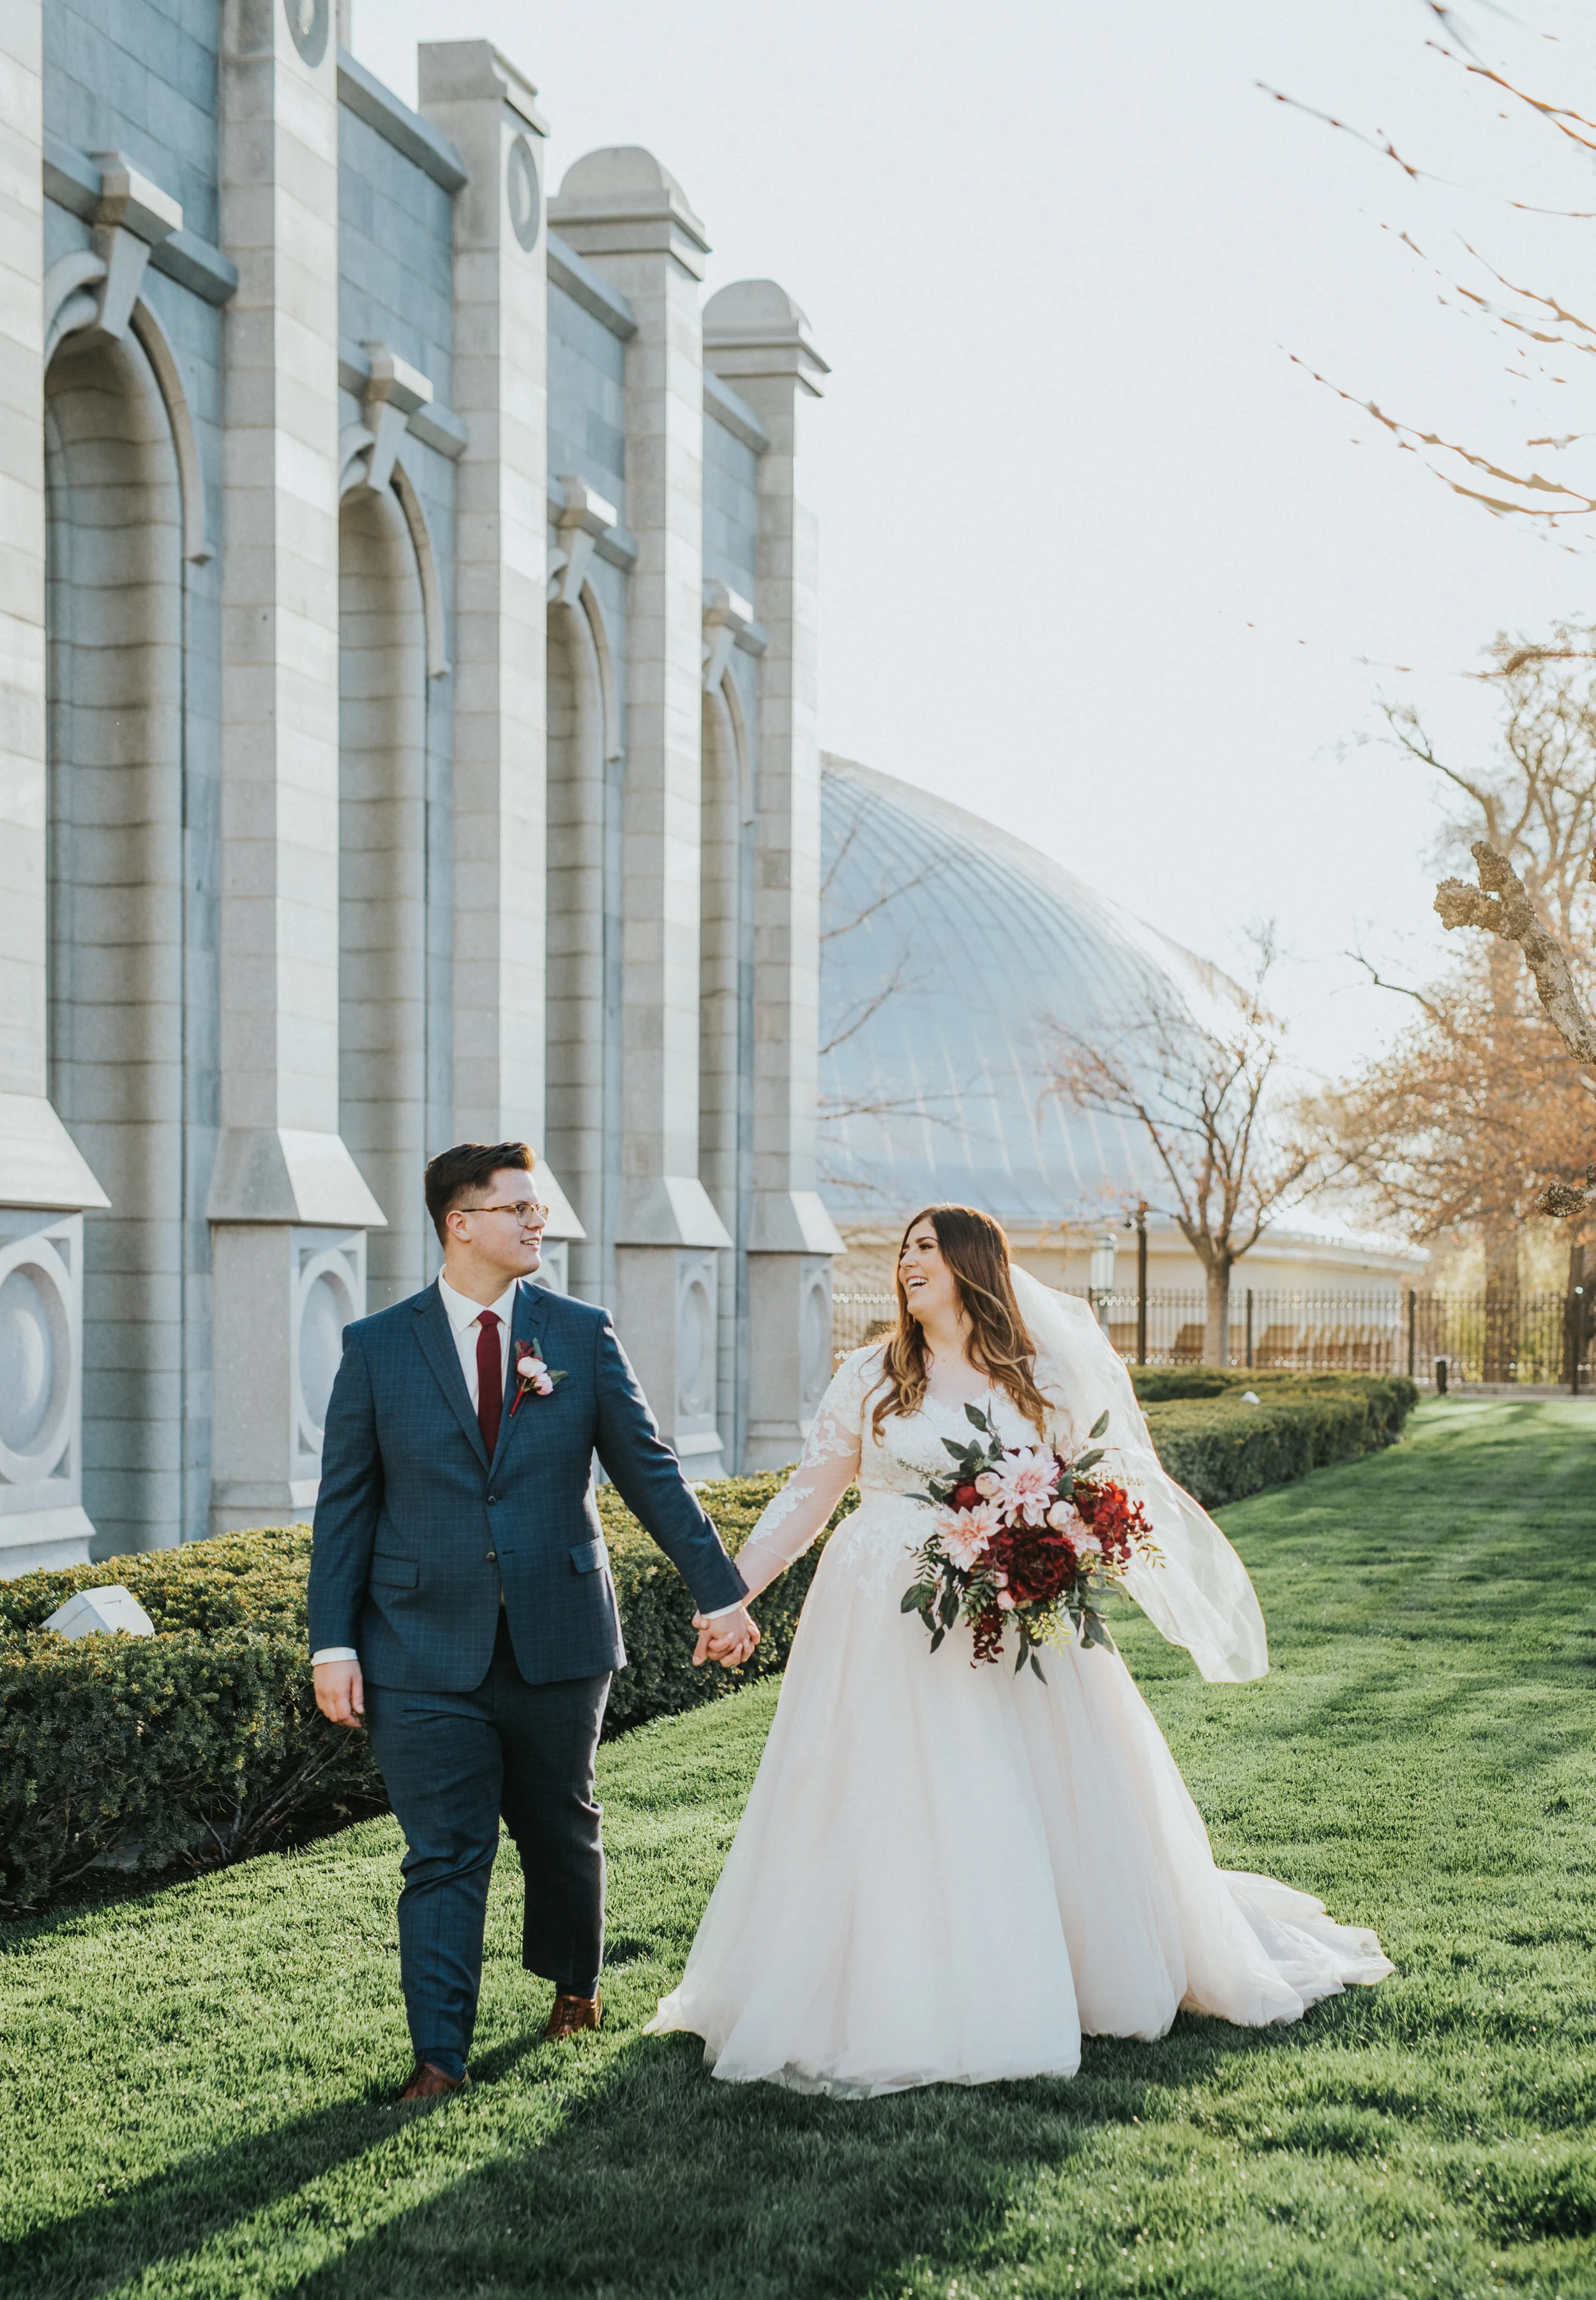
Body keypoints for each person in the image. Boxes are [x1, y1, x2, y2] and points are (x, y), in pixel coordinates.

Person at [650, 1203, 1392, 2095]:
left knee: (1007, 1783)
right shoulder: (871, 1376)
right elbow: (808, 1498)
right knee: (871, 1786)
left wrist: (1054, 1540)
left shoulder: (1036, 1380)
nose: (909, 1261)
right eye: (905, 1250)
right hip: (872, 1614)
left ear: (971, 1263)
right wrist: (734, 1592)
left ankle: (1042, 1964)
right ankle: (877, 1970)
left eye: (927, 1248)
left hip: (999, 1614)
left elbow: (1098, 1490)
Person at [308, 1140, 759, 2100]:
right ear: (459, 1222)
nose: (535, 1221)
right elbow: (344, 1506)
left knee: (560, 1826)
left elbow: (651, 1472)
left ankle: (574, 1985)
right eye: (516, 1207)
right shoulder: (377, 1346)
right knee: (443, 1853)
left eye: (537, 1208)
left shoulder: (581, 1333)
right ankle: (440, 2056)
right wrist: (333, 1642)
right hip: (417, 1647)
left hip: (559, 1634)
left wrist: (720, 1589)